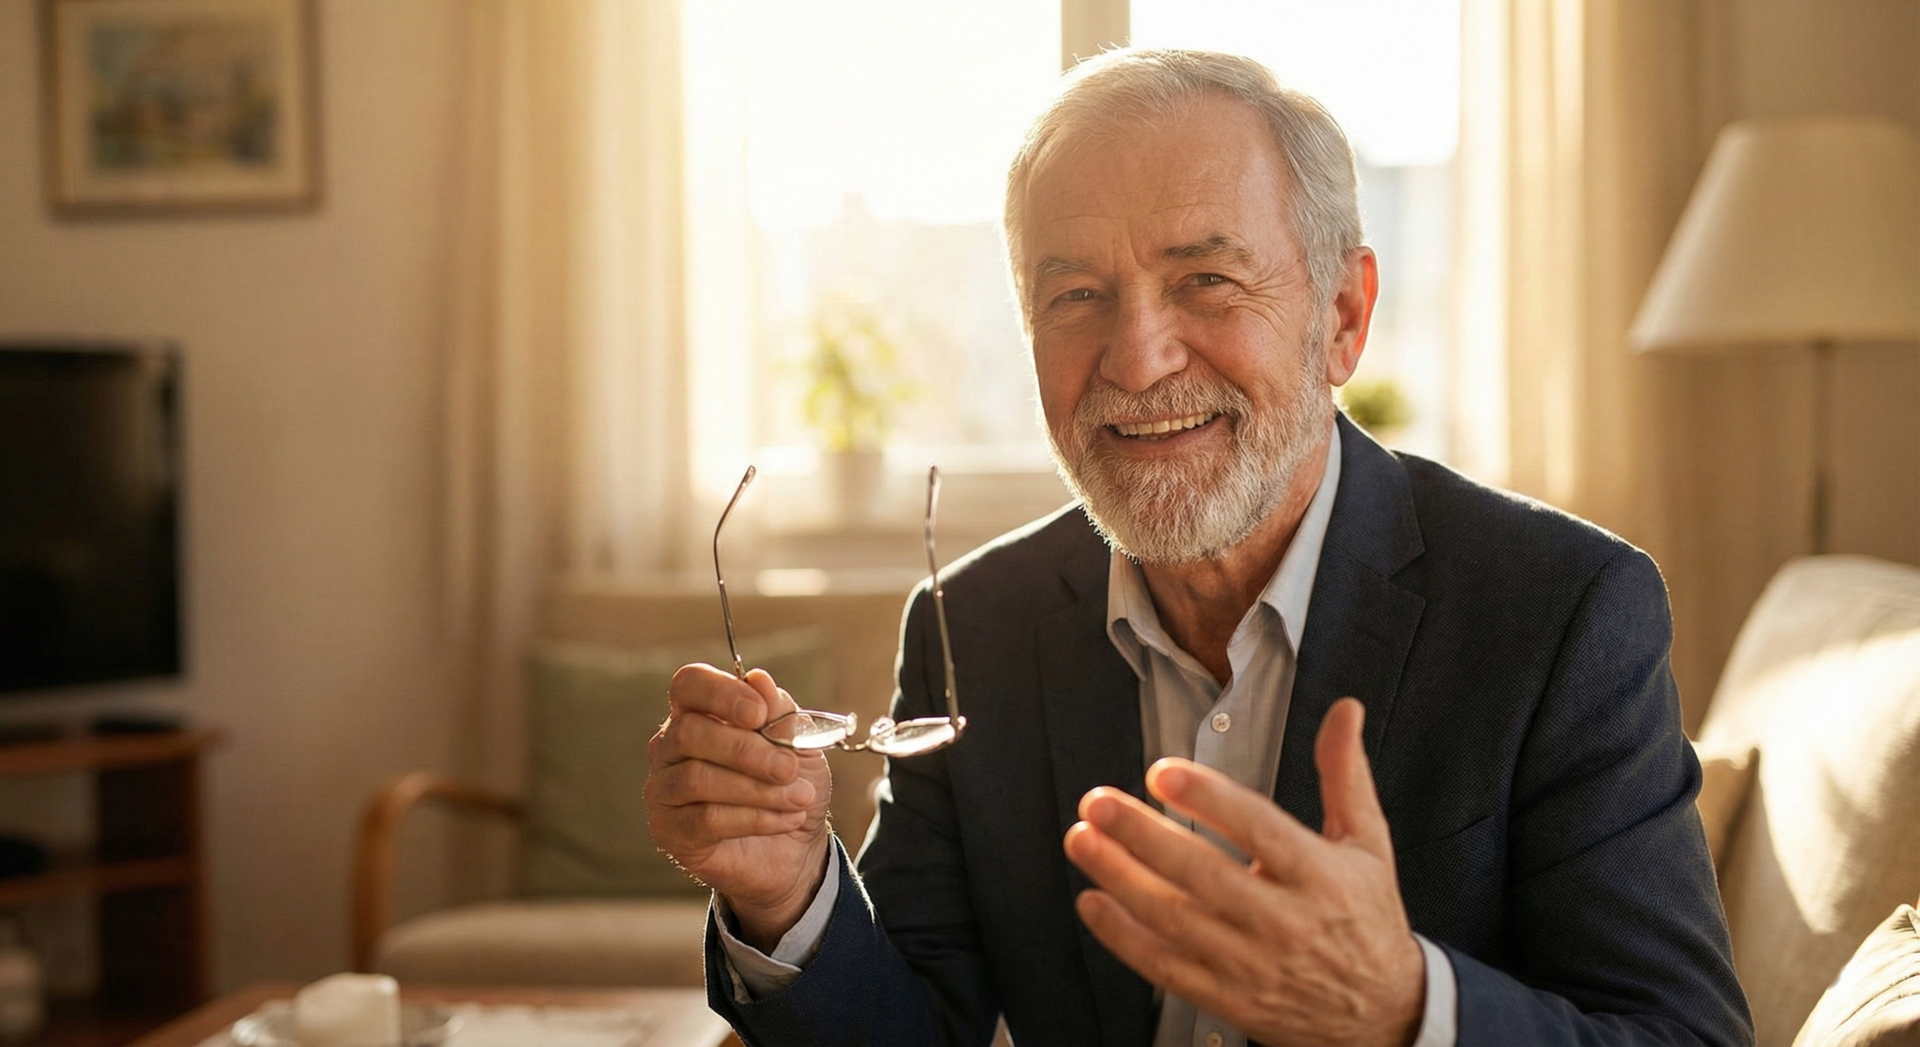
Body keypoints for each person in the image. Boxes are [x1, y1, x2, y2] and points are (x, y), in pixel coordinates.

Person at [646, 48, 1753, 1047]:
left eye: (1205, 281)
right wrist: (789, 897)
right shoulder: (972, 626)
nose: (1136, 358)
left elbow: (1681, 1034)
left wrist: (1405, 1010)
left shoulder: (1561, 609)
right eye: (1075, 294)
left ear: (1343, 318)